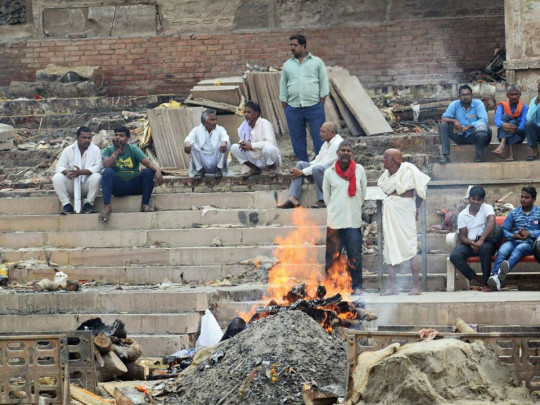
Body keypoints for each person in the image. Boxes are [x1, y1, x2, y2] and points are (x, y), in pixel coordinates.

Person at [377, 149, 431, 295]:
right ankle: (393, 287)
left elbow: (421, 191)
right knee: (390, 247)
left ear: (393, 160)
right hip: (391, 209)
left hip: (405, 209)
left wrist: (415, 208)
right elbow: (384, 189)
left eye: (385, 157)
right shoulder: (386, 175)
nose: (383, 160)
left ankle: (416, 286)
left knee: (410, 247)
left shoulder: (409, 171)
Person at [322, 140, 367, 295]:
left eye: (348, 150)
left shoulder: (359, 170)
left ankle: (356, 287)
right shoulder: (329, 173)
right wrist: (336, 210)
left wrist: (353, 208)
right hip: (335, 221)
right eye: (343, 150)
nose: (346, 153)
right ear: (337, 153)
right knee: (332, 257)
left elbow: (363, 194)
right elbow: (327, 197)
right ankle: (330, 288)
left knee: (354, 256)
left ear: (351, 153)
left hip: (353, 221)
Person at [279, 34, 329, 162]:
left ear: (303, 45)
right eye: (290, 45)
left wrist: (321, 101)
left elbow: (323, 83)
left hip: (314, 107)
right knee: (297, 138)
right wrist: (285, 103)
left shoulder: (317, 62)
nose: (292, 48)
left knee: (320, 137)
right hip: (293, 108)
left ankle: (319, 164)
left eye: (295, 45)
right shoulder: (287, 65)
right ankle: (303, 165)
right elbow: (283, 85)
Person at [99, 126, 163, 223]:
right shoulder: (109, 150)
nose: (118, 138)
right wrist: (117, 150)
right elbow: (107, 165)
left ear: (128, 138)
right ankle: (107, 206)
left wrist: (158, 171)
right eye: (116, 135)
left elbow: (148, 163)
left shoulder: (133, 149)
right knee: (107, 172)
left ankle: (144, 204)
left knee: (149, 172)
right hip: (118, 187)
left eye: (121, 136)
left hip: (134, 186)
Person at [278, 121, 343, 209]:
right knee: (300, 164)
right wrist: (300, 170)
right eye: (320, 131)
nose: (320, 134)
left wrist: (302, 172)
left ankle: (323, 199)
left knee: (317, 169)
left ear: (332, 133)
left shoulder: (337, 144)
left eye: (323, 132)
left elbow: (324, 164)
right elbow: (318, 160)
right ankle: (293, 198)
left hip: (335, 175)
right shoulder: (327, 143)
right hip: (324, 172)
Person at [488, 187, 540, 291]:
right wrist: (514, 235)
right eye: (522, 197)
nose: (523, 199)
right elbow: (505, 230)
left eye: (527, 197)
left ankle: (505, 268)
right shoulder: (514, 213)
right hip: (512, 241)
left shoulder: (539, 212)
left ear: (534, 199)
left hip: (528, 243)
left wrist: (530, 233)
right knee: (502, 251)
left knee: (519, 250)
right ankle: (495, 278)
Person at [449, 186, 497, 291]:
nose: (475, 202)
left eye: (479, 199)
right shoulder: (463, 214)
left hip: (486, 242)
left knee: (485, 249)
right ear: (469, 199)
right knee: (454, 256)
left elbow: (492, 222)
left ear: (483, 200)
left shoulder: (487, 208)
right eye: (473, 199)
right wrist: (471, 243)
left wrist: (481, 240)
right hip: (470, 244)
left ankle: (486, 283)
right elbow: (462, 236)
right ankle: (475, 278)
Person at [52, 126, 102, 214]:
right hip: (72, 183)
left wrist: (81, 172)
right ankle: (67, 205)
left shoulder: (95, 149)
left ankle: (88, 205)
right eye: (84, 137)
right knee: (57, 177)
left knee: (97, 176)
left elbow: (98, 167)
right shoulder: (68, 150)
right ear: (77, 138)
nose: (87, 140)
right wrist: (67, 171)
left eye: (89, 138)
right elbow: (59, 167)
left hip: (86, 184)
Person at [439, 84, 491, 163]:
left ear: (472, 95)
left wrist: (468, 127)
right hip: (459, 135)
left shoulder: (478, 103)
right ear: (459, 96)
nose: (465, 97)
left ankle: (479, 156)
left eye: (468, 94)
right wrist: (454, 121)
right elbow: (443, 119)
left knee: (482, 128)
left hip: (474, 136)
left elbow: (484, 119)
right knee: (443, 125)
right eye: (463, 95)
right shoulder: (455, 104)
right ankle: (446, 156)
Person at [230, 101, 281, 177]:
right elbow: (243, 141)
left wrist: (252, 145)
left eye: (249, 112)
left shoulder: (264, 123)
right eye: (245, 112)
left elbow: (270, 142)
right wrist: (243, 144)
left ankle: (272, 169)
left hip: (268, 159)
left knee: (269, 148)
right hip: (255, 159)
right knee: (234, 147)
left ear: (256, 114)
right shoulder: (244, 126)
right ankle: (255, 169)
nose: (246, 115)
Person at [184, 109, 232, 179]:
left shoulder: (220, 129)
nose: (215, 122)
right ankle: (200, 170)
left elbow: (225, 136)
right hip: (202, 161)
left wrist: (224, 142)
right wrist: (187, 143)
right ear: (204, 121)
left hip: (216, 160)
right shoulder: (196, 130)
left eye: (215, 119)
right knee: (190, 144)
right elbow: (188, 138)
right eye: (212, 120)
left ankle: (218, 169)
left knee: (226, 142)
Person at [491, 85, 528, 161]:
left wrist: (517, 129)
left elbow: (523, 124)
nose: (514, 97)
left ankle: (503, 146)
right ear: (507, 95)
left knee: (512, 121)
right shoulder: (502, 106)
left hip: (519, 135)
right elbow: (497, 120)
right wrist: (503, 124)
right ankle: (509, 154)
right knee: (505, 118)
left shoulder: (525, 108)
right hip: (502, 134)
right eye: (512, 94)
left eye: (516, 94)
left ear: (520, 95)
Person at [525, 82, 540, 161]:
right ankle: (534, 151)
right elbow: (529, 119)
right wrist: (536, 104)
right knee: (528, 124)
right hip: (538, 132)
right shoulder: (534, 101)